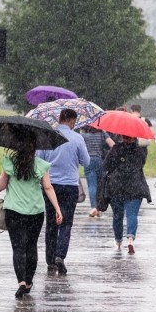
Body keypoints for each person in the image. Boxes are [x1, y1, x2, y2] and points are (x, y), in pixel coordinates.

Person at [0, 131, 63, 298]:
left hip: (13, 212)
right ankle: (29, 281)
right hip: (35, 212)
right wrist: (57, 209)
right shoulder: (41, 164)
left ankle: (21, 282)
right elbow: (48, 188)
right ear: (35, 147)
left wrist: (6, 173)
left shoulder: (9, 162)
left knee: (18, 247)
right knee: (31, 246)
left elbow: (0, 187)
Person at [37, 108, 90, 274]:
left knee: (51, 222)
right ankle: (60, 255)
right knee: (66, 222)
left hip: (50, 186)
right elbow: (86, 162)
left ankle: (50, 260)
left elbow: (38, 159)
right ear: (72, 121)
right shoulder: (77, 138)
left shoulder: (48, 136)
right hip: (70, 186)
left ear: (59, 119)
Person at [102, 135, 151, 254]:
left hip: (116, 186)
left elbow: (106, 166)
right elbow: (141, 164)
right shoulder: (139, 150)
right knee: (132, 214)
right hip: (135, 185)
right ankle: (130, 239)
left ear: (122, 136)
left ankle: (118, 241)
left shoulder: (115, 149)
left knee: (117, 215)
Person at [80, 126, 114, 217]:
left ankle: (93, 207)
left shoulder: (83, 135)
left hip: (88, 161)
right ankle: (98, 208)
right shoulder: (102, 134)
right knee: (100, 186)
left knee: (92, 185)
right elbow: (112, 145)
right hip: (99, 161)